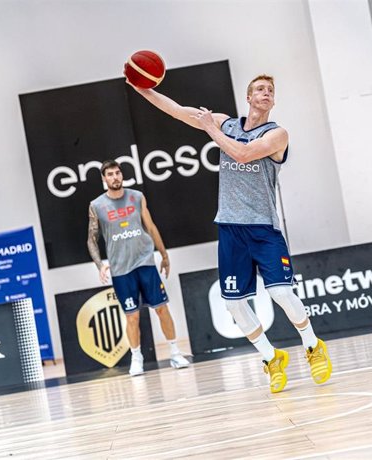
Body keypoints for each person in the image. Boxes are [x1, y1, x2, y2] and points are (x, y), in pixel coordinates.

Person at [127, 73, 332, 393]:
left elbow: (243, 154)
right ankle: (271, 357)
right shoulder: (227, 123)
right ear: (248, 98)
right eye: (260, 90)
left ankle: (312, 344)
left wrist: (211, 128)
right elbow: (177, 110)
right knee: (234, 304)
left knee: (280, 293)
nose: (266, 93)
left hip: (264, 227)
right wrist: (143, 88)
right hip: (230, 227)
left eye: (270, 91)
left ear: (273, 101)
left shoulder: (277, 134)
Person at [87, 160, 190, 376]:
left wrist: (163, 254)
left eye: (117, 173)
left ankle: (175, 352)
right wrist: (100, 265)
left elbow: (150, 226)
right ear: (104, 179)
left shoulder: (136, 196)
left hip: (145, 262)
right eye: (110, 174)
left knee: (162, 308)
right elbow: (91, 239)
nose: (115, 177)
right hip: (120, 269)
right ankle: (137, 358)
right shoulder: (97, 205)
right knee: (132, 316)